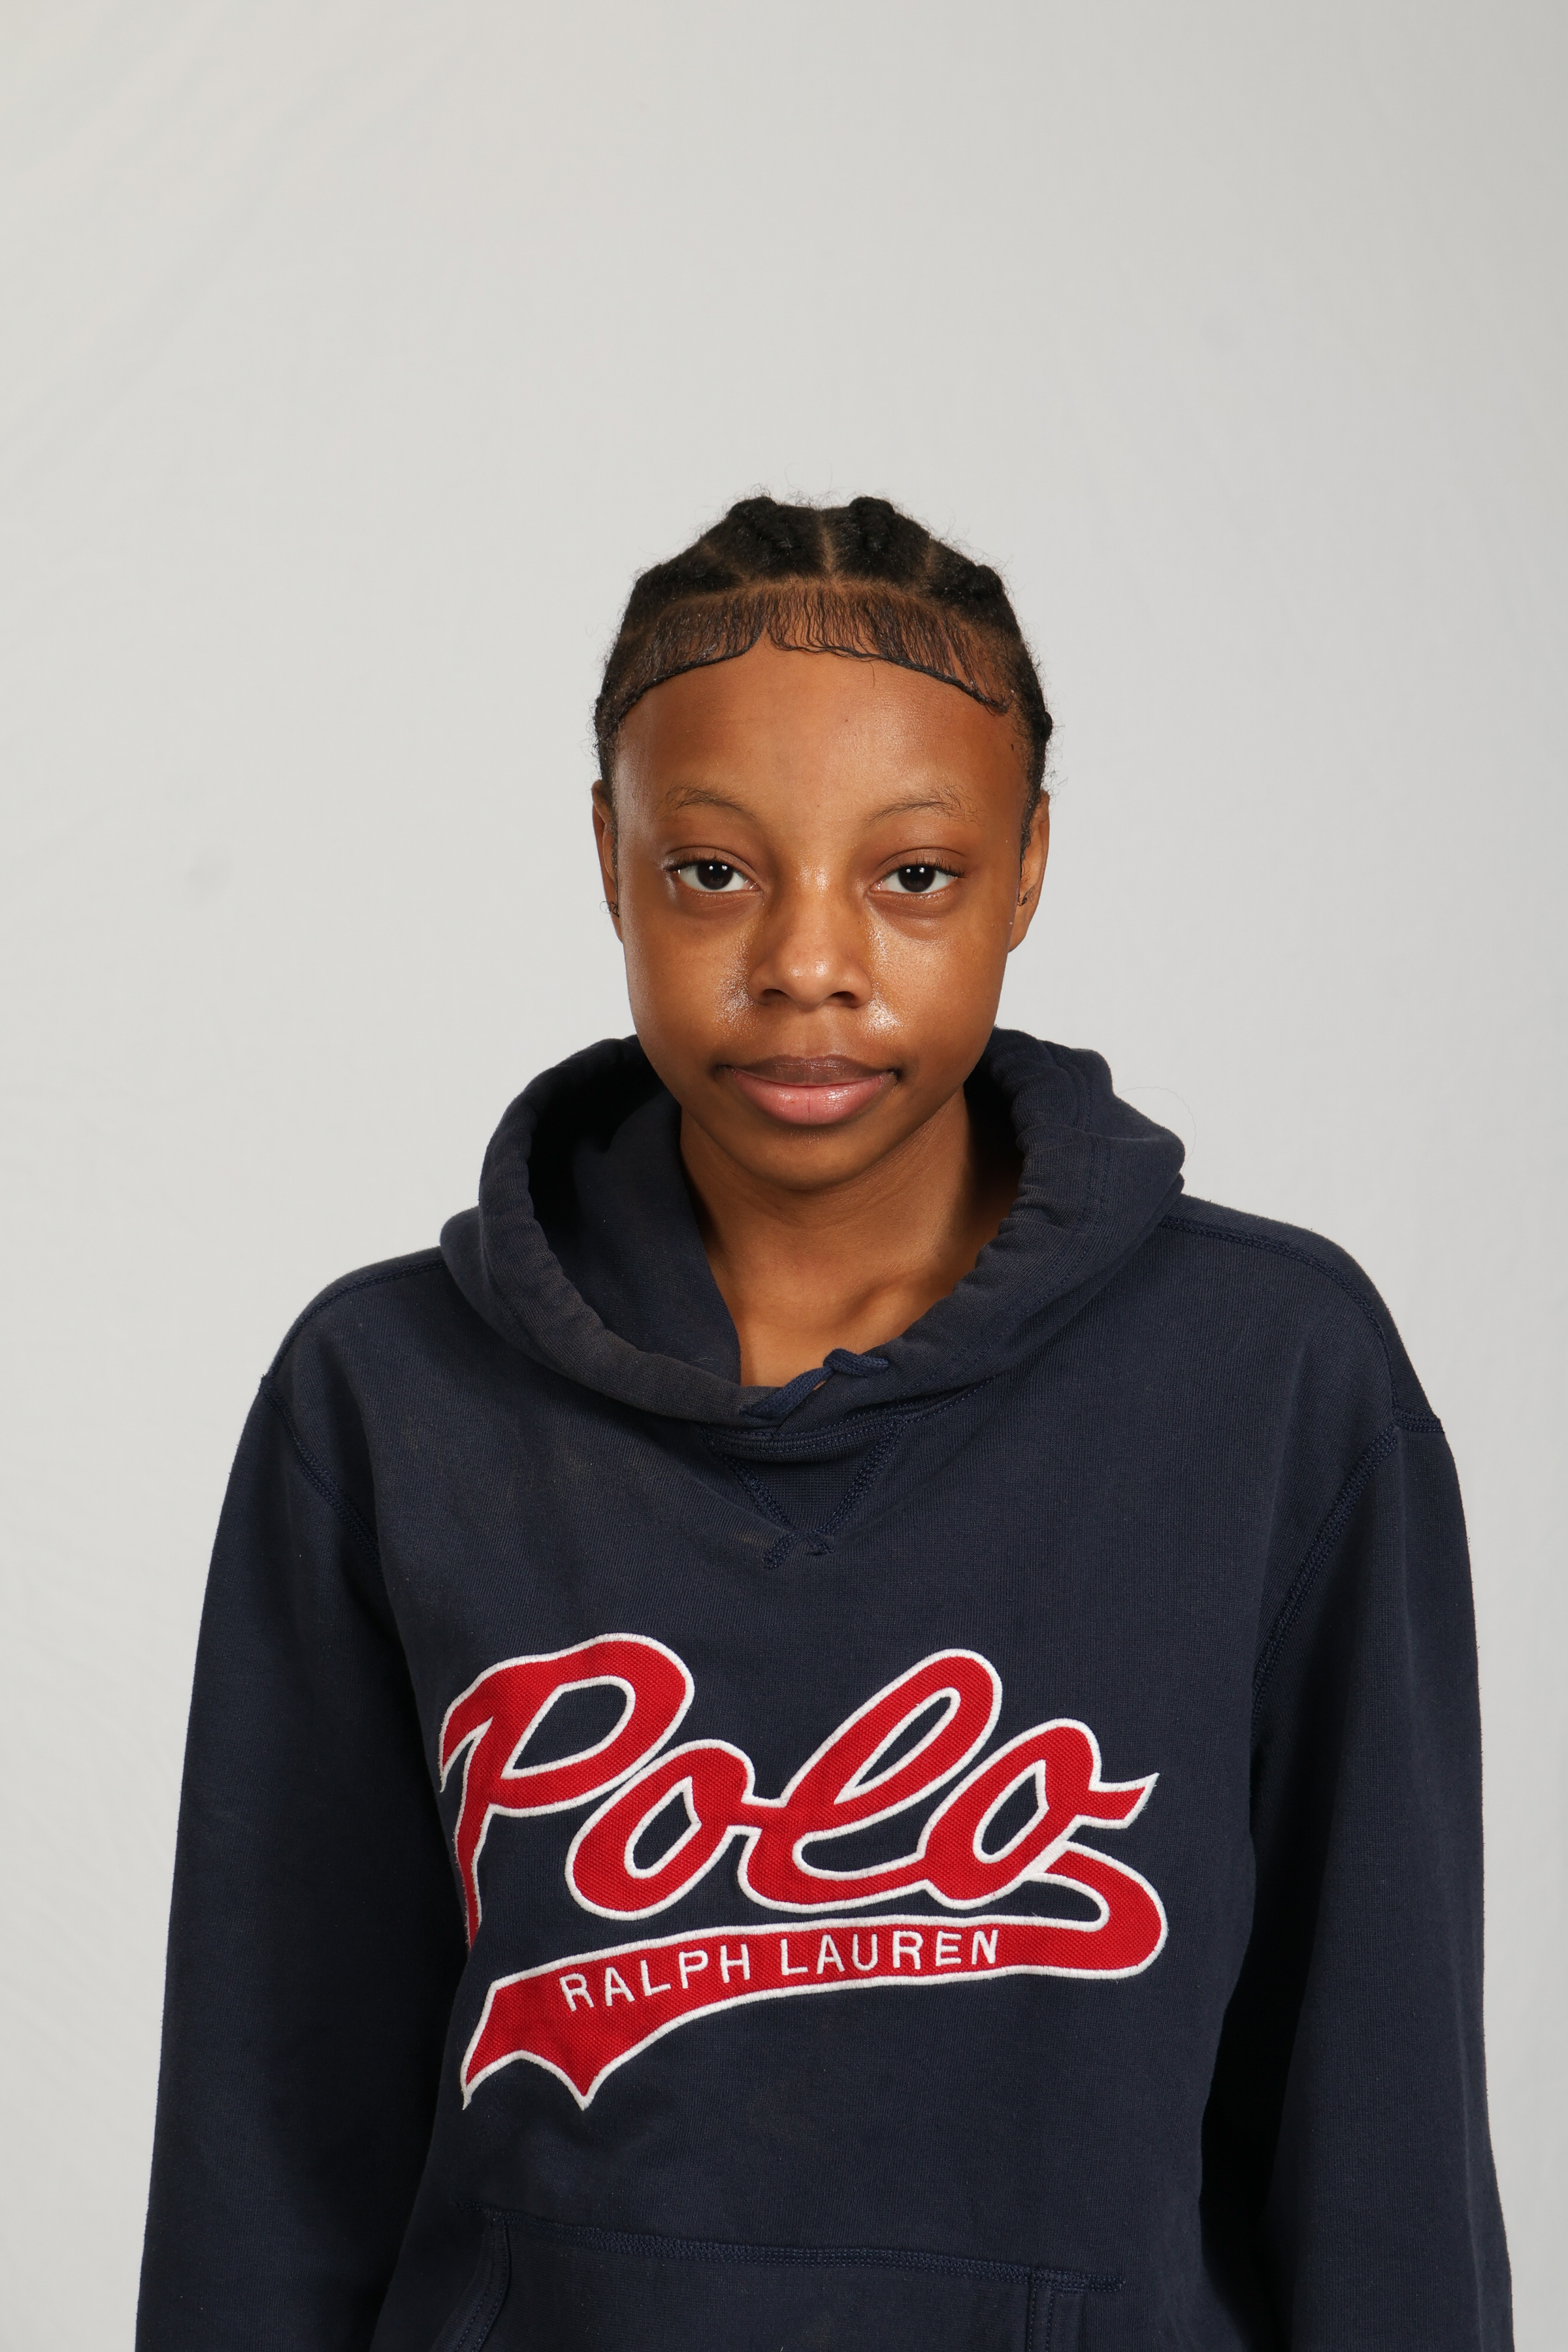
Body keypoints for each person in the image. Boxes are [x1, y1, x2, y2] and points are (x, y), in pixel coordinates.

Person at [137, 496, 1512, 2351]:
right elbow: (265, 2166)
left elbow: (1383, 2139)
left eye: (913, 875)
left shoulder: (1273, 1380)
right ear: (610, 860)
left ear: (1029, 868)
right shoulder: (385, 1394)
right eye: (715, 870)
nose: (808, 957)